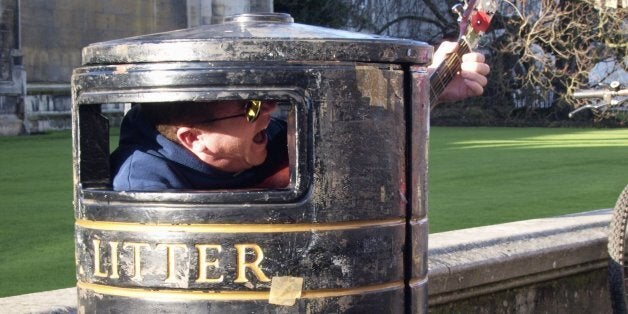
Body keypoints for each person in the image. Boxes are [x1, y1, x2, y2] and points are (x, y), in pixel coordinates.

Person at [110, 42, 490, 191]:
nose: (270, 110)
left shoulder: (270, 134)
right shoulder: (142, 181)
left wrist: (432, 90)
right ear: (193, 139)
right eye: (252, 107)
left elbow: (366, 128)